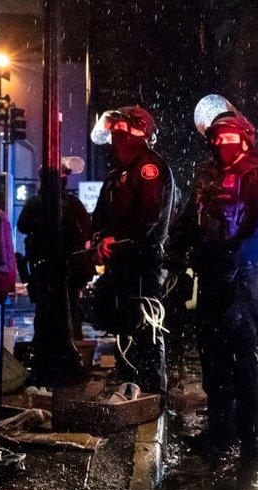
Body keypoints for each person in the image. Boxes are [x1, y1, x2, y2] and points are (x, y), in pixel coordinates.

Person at [183, 94, 258, 460]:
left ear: (244, 140)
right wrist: (180, 257)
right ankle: (219, 433)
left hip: (242, 282)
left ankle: (250, 439)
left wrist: (233, 261)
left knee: (244, 360)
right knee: (213, 360)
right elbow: (187, 223)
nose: (223, 146)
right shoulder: (206, 181)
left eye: (229, 139)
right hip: (211, 282)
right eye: (217, 140)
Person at [89, 106, 175, 396]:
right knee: (123, 325)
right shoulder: (118, 173)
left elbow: (148, 219)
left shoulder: (149, 168)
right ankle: (130, 386)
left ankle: (152, 392)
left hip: (142, 262)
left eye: (118, 132)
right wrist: (100, 241)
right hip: (120, 263)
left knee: (147, 327)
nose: (114, 140)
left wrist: (119, 241)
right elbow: (100, 218)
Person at [18, 176, 95, 342]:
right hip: (59, 268)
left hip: (54, 268)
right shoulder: (71, 204)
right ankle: (70, 347)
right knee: (67, 310)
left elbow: (22, 226)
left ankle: (48, 347)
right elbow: (88, 229)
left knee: (50, 311)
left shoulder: (37, 203)